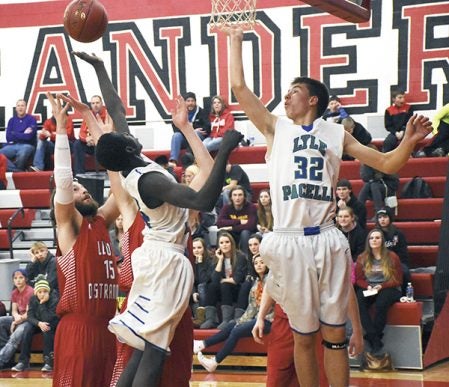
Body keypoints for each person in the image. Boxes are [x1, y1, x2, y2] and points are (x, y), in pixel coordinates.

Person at [227, 25, 431, 386]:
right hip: (288, 240)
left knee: (333, 335)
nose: (286, 98)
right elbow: (239, 89)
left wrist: (410, 143)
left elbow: (386, 163)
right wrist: (236, 41)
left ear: (313, 100)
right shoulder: (276, 128)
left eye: (293, 93)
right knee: (303, 337)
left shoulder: (336, 133)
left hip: (324, 237)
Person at [63, 51, 243, 386]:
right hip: (166, 263)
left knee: (146, 346)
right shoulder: (150, 181)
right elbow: (202, 200)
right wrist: (227, 150)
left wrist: (101, 68)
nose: (131, 134)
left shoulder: (129, 160)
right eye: (128, 137)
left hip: (154, 258)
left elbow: (116, 110)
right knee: (156, 351)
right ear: (129, 149)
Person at [48, 91, 119, 387]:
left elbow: (123, 190)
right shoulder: (69, 226)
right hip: (78, 329)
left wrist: (111, 139)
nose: (84, 191)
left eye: (83, 188)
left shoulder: (100, 220)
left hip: (107, 329)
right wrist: (63, 132)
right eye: (77, 190)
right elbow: (63, 182)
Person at [194, 254, 274, 372]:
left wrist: (241, 324)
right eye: (256, 263)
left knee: (236, 331)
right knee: (232, 324)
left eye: (262, 262)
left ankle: (215, 361)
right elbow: (251, 307)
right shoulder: (256, 282)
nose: (259, 265)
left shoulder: (271, 280)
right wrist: (240, 321)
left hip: (269, 320)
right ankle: (202, 344)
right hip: (256, 318)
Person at [355, 229, 403, 354]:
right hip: (370, 288)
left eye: (377, 238)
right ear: (368, 241)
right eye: (372, 238)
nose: (374, 240)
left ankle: (374, 336)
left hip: (389, 287)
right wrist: (368, 286)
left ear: (382, 241)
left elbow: (398, 279)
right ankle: (374, 337)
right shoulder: (362, 257)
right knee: (359, 301)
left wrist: (381, 286)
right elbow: (359, 279)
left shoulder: (392, 256)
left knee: (381, 303)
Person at [12, 275, 59, 372]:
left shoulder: (54, 299)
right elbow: (30, 316)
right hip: (38, 322)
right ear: (36, 292)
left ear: (49, 291)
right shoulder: (33, 299)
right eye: (40, 292)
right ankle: (23, 361)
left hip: (51, 322)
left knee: (47, 328)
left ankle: (48, 362)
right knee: (27, 329)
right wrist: (38, 323)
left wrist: (42, 304)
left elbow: (48, 318)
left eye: (45, 291)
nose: (42, 294)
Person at [201, 232, 247, 329]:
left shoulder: (240, 257)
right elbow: (214, 279)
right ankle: (210, 319)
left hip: (236, 289)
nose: (224, 245)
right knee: (211, 286)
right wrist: (220, 260)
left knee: (224, 285)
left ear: (232, 243)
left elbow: (237, 279)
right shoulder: (216, 258)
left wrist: (223, 281)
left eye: (227, 242)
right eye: (221, 243)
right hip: (222, 289)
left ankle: (226, 319)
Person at [0, 269, 34, 369]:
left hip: (29, 320)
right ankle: (5, 355)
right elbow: (14, 310)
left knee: (16, 335)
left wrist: (16, 321)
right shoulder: (14, 292)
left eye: (21, 278)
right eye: (15, 278)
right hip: (19, 318)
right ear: (13, 281)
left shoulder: (30, 291)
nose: (18, 280)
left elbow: (29, 313)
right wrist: (16, 318)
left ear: (26, 279)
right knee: (1, 321)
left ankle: (1, 360)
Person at [375, 207, 411, 294]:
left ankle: (405, 295)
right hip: (379, 262)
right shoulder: (375, 234)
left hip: (397, 262)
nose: (382, 220)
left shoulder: (398, 233)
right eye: (380, 217)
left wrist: (395, 263)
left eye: (385, 217)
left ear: (390, 218)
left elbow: (403, 253)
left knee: (404, 272)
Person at [169, 91, 211, 165]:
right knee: (176, 136)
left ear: (195, 102)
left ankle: (189, 157)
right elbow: (175, 128)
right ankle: (173, 161)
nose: (190, 103)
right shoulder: (179, 113)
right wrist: (189, 130)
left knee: (196, 133)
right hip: (185, 138)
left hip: (198, 139)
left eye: (192, 101)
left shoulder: (202, 112)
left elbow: (207, 127)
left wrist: (193, 130)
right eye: (188, 101)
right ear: (184, 102)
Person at [217, 185, 258, 256]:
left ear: (244, 197)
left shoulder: (251, 207)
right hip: (233, 234)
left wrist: (232, 228)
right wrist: (239, 221)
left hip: (247, 234)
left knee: (245, 232)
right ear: (231, 197)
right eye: (235, 195)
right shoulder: (226, 208)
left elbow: (251, 225)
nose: (237, 198)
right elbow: (219, 223)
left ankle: (245, 257)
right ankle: (222, 256)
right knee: (222, 232)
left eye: (240, 195)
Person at [72, 94, 108, 176]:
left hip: (103, 145)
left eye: (97, 103)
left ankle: (109, 172)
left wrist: (96, 138)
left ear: (102, 103)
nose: (95, 105)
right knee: (77, 144)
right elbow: (81, 133)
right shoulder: (88, 115)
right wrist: (87, 139)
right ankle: (79, 174)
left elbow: (110, 132)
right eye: (93, 103)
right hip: (90, 144)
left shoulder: (107, 115)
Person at [358, 149, 400, 216]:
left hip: (388, 187)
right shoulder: (367, 164)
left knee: (373, 185)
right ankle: (357, 209)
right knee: (368, 185)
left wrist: (381, 173)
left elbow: (394, 180)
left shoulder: (384, 161)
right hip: (374, 189)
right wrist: (367, 165)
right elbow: (365, 177)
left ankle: (379, 211)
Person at [0, 99, 37, 172]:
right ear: (16, 108)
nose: (20, 108)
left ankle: (16, 171)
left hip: (28, 145)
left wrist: (14, 133)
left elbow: (29, 137)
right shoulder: (12, 120)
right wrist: (23, 134)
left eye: (22, 105)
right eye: (18, 106)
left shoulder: (31, 119)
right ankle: (17, 171)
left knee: (23, 153)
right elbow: (8, 137)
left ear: (26, 107)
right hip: (13, 145)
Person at [191, 237, 214, 328]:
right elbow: (191, 280)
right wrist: (193, 292)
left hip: (208, 289)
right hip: (195, 291)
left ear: (204, 248)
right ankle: (198, 318)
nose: (196, 250)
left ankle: (204, 318)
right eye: (194, 248)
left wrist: (200, 263)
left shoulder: (210, 261)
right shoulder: (190, 262)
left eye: (199, 248)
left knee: (201, 286)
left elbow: (204, 280)